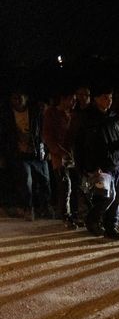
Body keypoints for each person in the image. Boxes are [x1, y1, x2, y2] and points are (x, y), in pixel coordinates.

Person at [69, 84, 119, 239]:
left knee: (118, 197)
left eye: (111, 97)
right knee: (106, 197)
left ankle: (111, 227)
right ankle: (92, 220)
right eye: (105, 97)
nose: (109, 101)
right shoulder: (87, 119)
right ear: (96, 99)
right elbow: (79, 145)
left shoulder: (113, 116)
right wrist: (86, 167)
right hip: (101, 167)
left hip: (118, 163)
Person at [2, 88, 52, 221]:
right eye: (14, 97)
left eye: (20, 97)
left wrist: (46, 149)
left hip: (37, 152)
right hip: (20, 154)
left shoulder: (36, 112)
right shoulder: (7, 116)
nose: (18, 100)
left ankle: (45, 207)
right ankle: (28, 209)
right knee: (26, 182)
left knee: (45, 181)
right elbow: (5, 136)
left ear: (27, 98)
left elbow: (44, 131)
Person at [43, 85, 80, 228]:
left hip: (73, 156)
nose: (74, 103)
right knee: (65, 186)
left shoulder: (72, 114)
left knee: (75, 186)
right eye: (71, 99)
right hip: (60, 157)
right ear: (63, 99)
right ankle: (66, 216)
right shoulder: (51, 114)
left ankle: (75, 215)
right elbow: (49, 137)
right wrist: (61, 152)